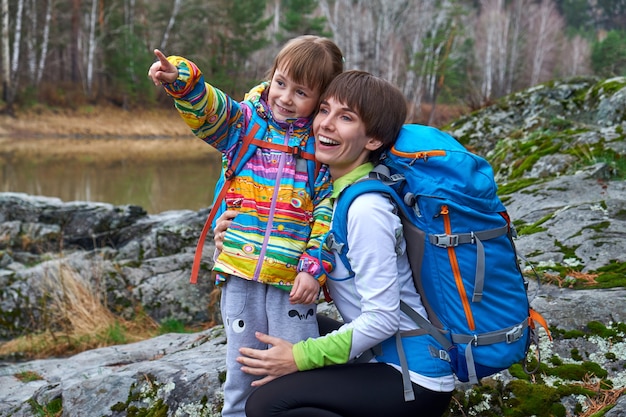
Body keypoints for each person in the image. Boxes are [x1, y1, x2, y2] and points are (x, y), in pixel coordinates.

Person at [230, 70, 456, 416]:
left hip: (413, 377)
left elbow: (383, 319)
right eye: (324, 110)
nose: (326, 124)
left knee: (265, 406)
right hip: (383, 354)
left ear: (374, 140)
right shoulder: (334, 196)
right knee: (267, 325)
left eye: (346, 117)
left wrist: (299, 358)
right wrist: (227, 232)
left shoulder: (366, 209)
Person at [147, 36, 344, 417]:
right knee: (242, 367)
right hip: (240, 270)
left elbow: (326, 211)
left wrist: (313, 268)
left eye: (300, 92)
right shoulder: (245, 123)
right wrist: (181, 80)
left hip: (292, 281)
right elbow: (210, 109)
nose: (284, 97)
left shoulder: (320, 147)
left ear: (321, 100)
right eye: (281, 82)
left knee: (296, 365)